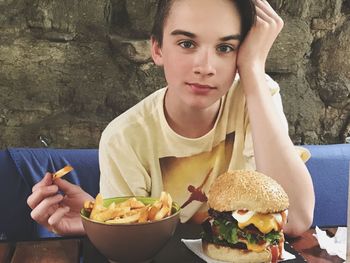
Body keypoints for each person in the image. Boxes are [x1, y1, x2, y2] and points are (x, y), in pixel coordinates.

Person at [27, 0, 315, 237]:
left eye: (225, 48)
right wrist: (97, 221)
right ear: (157, 49)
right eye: (187, 44)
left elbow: (296, 220)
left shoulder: (256, 96)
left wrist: (252, 68)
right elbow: (131, 246)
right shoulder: (125, 137)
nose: (205, 67)